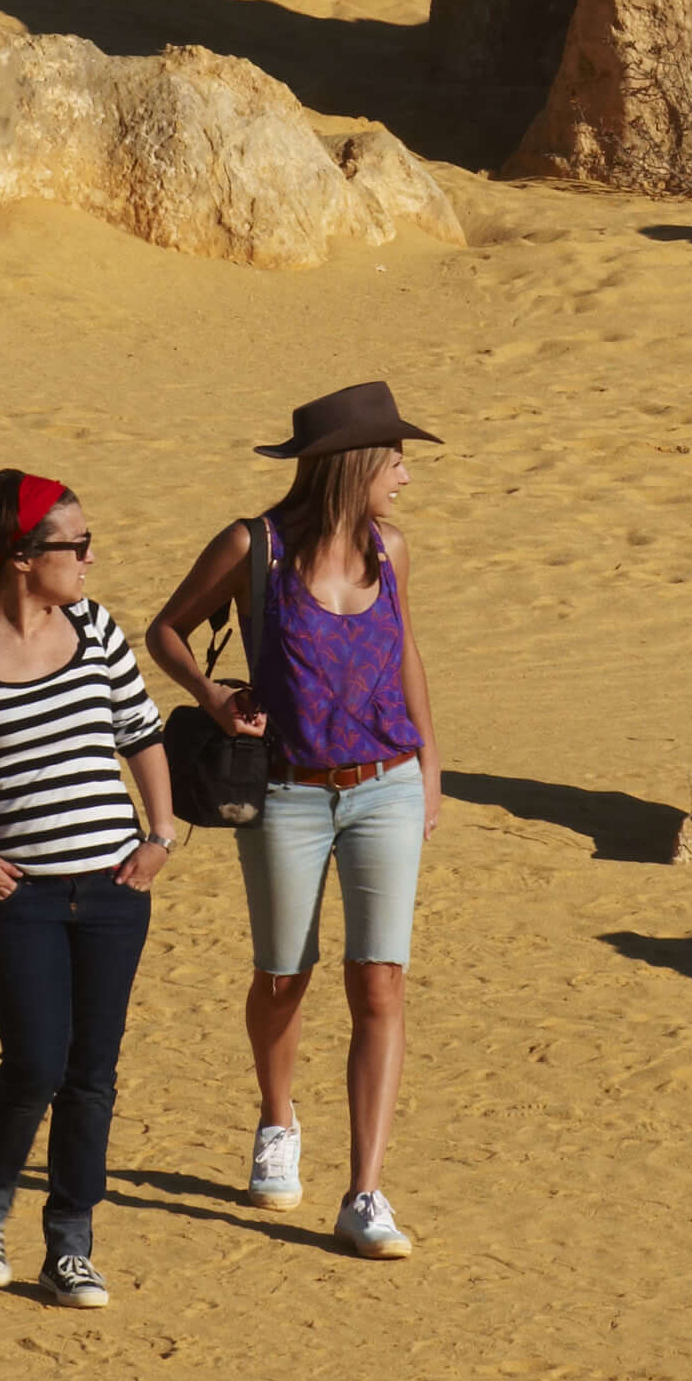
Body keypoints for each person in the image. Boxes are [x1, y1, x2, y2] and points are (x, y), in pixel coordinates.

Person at [145, 380, 442, 1263]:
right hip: (286, 793)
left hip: (385, 783)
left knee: (380, 980)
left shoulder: (392, 549)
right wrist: (211, 694)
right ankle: (278, 1121)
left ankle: (365, 1192)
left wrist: (431, 767)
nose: (405, 476)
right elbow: (167, 628)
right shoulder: (255, 547)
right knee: (284, 974)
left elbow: (407, 652)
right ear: (353, 465)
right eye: (395, 459)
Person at [0, 468, 179, 1307]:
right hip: (16, 897)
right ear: (21, 556)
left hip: (115, 888)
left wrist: (159, 836)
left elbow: (142, 732)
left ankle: (71, 1245)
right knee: (33, 1064)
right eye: (75, 545)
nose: (90, 559)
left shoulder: (94, 628)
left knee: (93, 1071)